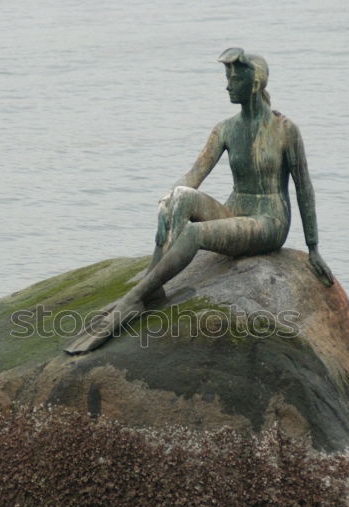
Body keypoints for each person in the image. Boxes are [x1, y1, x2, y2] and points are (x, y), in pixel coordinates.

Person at [65, 47, 333, 354]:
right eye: (226, 77)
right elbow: (193, 176)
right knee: (178, 200)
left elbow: (304, 188)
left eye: (234, 78)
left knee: (194, 234)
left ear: (255, 83)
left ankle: (134, 298)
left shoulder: (285, 130)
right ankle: (153, 289)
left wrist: (313, 247)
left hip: (268, 220)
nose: (228, 84)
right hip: (234, 210)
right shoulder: (226, 129)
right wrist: (168, 203)